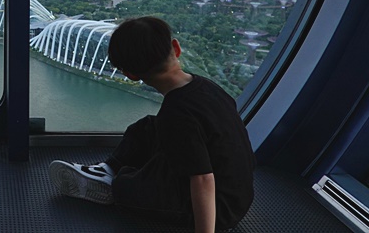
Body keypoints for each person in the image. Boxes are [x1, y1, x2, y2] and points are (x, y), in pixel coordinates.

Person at [49, 16, 256, 232]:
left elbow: (203, 179)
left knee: (126, 188)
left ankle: (115, 182)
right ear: (176, 48)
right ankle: (109, 168)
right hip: (238, 192)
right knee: (148, 127)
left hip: (220, 209)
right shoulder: (208, 87)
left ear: (129, 74)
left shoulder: (177, 113)